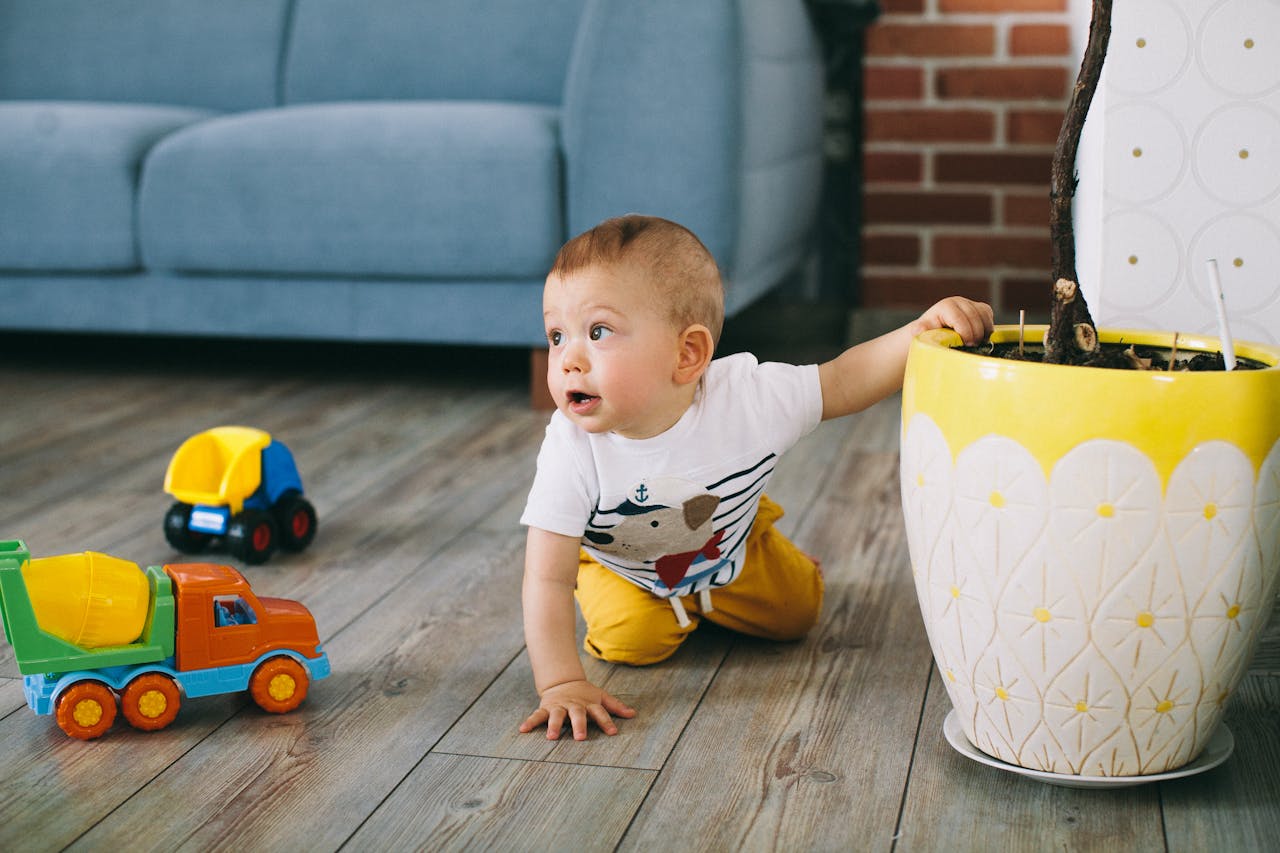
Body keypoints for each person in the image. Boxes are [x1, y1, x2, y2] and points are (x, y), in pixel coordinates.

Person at [519, 215, 993, 741]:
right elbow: (546, 578)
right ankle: (643, 591)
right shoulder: (572, 449)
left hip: (726, 544)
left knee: (799, 612)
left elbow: (842, 380)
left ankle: (756, 529)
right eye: (557, 335)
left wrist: (919, 333)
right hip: (627, 564)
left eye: (598, 332)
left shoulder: (749, 400)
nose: (567, 361)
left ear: (688, 354)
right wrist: (561, 682)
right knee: (633, 642)